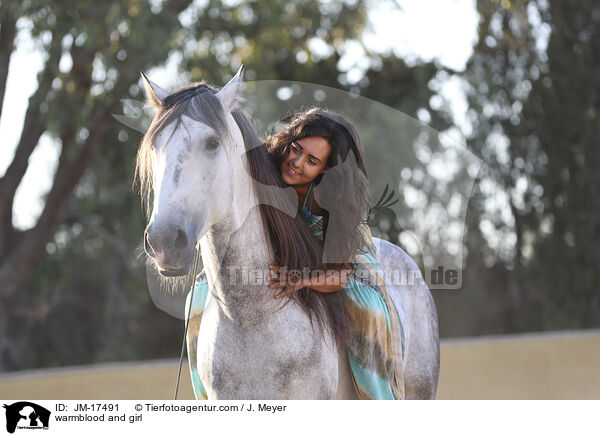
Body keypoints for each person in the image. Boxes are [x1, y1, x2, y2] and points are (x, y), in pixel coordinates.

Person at [187, 108, 405, 400]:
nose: (296, 163)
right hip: (279, 249)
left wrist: (302, 280)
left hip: (332, 257)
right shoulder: (268, 161)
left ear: (327, 170)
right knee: (198, 298)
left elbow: (339, 275)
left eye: (312, 161)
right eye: (296, 149)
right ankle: (205, 400)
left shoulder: (334, 199)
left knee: (368, 311)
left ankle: (379, 404)